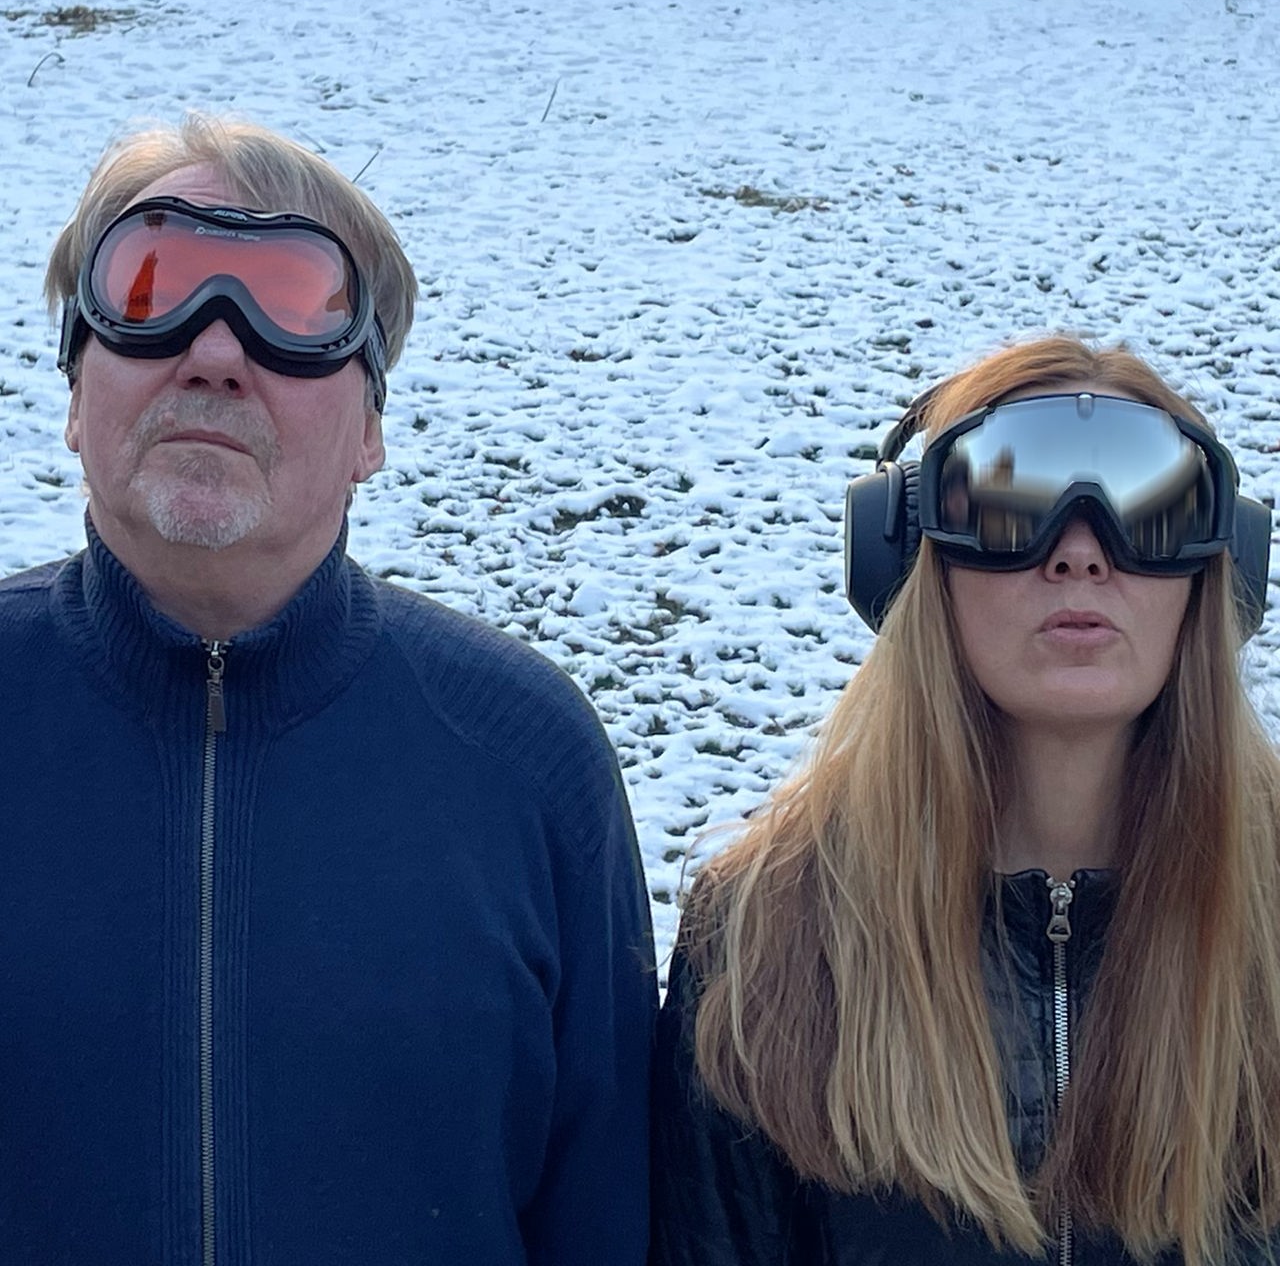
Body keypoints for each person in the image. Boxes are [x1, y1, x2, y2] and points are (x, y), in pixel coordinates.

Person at [0, 114, 656, 1266]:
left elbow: (606, 1214)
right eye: (148, 290)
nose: (213, 351)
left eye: (291, 304)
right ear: (72, 389)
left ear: (369, 428)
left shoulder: (525, 758)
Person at [650, 337, 1280, 1266]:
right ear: (905, 557)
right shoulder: (764, 934)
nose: (1078, 555)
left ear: (1218, 566)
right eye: (1009, 504)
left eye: (1149, 508)